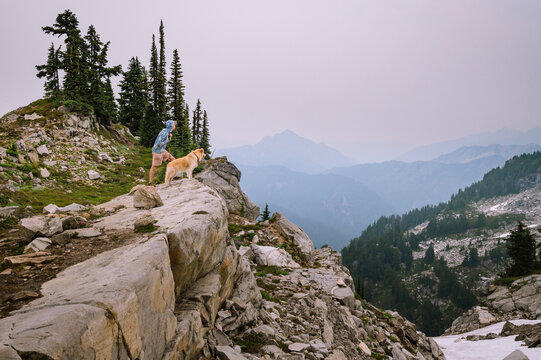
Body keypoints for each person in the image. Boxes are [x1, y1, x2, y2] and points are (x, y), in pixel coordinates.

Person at [149, 120, 176, 185]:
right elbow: (159, 143)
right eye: (174, 125)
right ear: (171, 126)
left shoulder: (167, 131)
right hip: (157, 152)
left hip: (162, 150)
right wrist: (168, 139)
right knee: (154, 167)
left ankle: (173, 176)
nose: (175, 126)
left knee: (173, 159)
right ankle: (150, 183)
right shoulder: (164, 133)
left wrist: (168, 138)